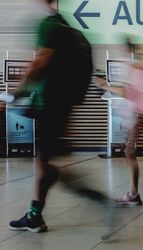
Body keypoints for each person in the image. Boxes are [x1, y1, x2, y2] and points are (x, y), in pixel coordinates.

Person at [9, 0, 95, 232]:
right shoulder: (64, 25)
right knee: (42, 160)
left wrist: (16, 92)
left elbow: (40, 62)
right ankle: (34, 215)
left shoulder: (48, 25)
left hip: (49, 103)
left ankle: (93, 196)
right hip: (62, 103)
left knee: (44, 164)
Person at [95, 39, 143, 205]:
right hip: (140, 113)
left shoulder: (135, 67)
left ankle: (133, 194)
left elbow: (126, 92)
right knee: (128, 151)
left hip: (138, 114)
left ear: (126, 50)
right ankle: (133, 193)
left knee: (129, 151)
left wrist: (105, 85)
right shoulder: (141, 66)